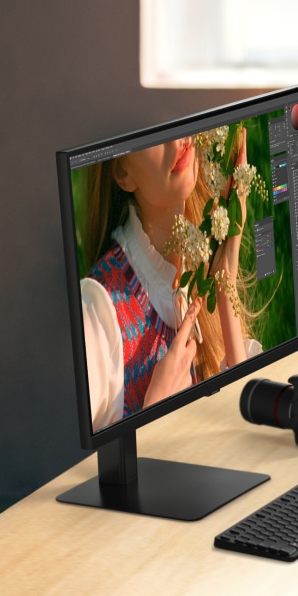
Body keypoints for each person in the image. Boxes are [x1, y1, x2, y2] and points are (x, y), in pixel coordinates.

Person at [78, 129, 261, 432]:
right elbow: (77, 460)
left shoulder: (198, 263)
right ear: (123, 172)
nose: (177, 138)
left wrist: (225, 283)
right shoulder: (97, 313)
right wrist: (154, 409)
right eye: (153, 130)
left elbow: (246, 434)